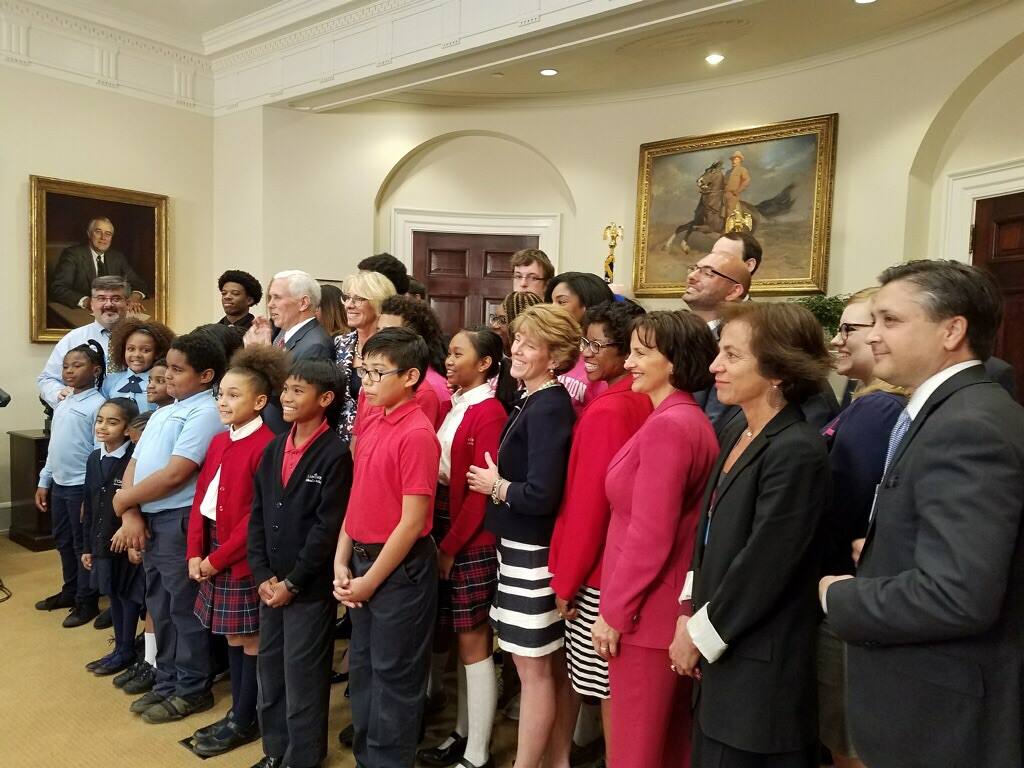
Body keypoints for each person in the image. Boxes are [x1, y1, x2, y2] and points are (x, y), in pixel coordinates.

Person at [820, 260, 1024, 768]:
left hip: (941, 720)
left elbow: (957, 595)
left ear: (952, 330)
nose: (873, 336)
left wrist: (840, 595)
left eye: (890, 321)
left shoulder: (968, 425)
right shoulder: (951, 410)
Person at [669, 302, 832, 768]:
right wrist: (688, 610)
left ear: (778, 370)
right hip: (720, 650)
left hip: (759, 670)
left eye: (732, 355)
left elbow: (765, 566)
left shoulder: (797, 451)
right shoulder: (738, 426)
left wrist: (699, 635)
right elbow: (707, 534)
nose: (714, 366)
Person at [590, 311, 718, 768]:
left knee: (636, 752)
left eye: (642, 354)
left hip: (647, 615)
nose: (629, 364)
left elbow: (651, 534)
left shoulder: (672, 425)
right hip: (658, 608)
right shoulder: (679, 417)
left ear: (675, 361)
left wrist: (615, 611)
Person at [467, 304, 579, 768]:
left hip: (531, 554)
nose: (516, 349)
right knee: (541, 667)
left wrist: (496, 486)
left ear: (556, 357)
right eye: (517, 340)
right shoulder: (534, 399)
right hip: (518, 550)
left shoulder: (549, 406)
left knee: (533, 671)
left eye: (530, 345)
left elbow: (542, 494)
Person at [546, 300, 652, 762]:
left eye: (596, 345)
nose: (585, 353)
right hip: (617, 567)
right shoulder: (635, 398)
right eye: (584, 342)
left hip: (598, 572)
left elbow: (589, 504)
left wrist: (566, 579)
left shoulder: (612, 408)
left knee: (605, 686)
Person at [334, 327, 441, 768]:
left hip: (398, 570)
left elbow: (412, 522)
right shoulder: (374, 418)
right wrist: (341, 558)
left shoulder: (416, 433)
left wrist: (370, 581)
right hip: (361, 560)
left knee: (394, 677)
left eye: (379, 373)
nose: (368, 382)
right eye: (365, 371)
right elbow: (358, 493)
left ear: (411, 376)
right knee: (363, 671)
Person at [110, 331, 227, 723]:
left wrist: (124, 500)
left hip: (179, 521)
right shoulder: (164, 411)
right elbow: (134, 463)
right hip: (150, 519)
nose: (168, 376)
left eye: (178, 370)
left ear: (206, 375)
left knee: (183, 608)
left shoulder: (204, 412)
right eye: (168, 368)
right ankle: (167, 679)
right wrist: (129, 512)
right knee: (159, 605)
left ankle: (192, 688)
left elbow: (178, 473)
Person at [815, 288, 906, 768]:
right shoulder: (862, 400)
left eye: (848, 328)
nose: (837, 339)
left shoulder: (878, 409)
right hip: (849, 593)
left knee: (851, 743)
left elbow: (849, 509)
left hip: (848, 592)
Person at [249, 358, 353, 768]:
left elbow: (327, 530)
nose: (286, 398)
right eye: (286, 389)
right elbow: (258, 514)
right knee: (271, 671)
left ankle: (303, 757)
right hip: (269, 584)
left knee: (303, 676)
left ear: (325, 399)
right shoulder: (275, 447)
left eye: (298, 391)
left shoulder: (335, 454)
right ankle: (275, 751)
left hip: (306, 588)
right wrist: (262, 573)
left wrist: (292, 582)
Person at [185, 346, 288, 757]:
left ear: (260, 402)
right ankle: (237, 713)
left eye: (234, 395)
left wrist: (215, 559)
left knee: (250, 638)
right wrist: (195, 552)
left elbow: (255, 521)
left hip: (240, 558)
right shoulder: (217, 441)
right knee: (232, 634)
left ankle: (247, 717)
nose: (223, 402)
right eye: (221, 394)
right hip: (212, 549)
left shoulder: (268, 445)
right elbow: (201, 500)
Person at [418, 327, 507, 768]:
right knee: (456, 636)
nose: (449, 361)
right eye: (448, 354)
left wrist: (450, 546)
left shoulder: (488, 411)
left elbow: (478, 493)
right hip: (444, 522)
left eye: (458, 354)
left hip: (470, 535)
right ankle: (460, 731)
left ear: (485, 363)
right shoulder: (458, 403)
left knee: (474, 640)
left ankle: (477, 752)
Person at [33, 340, 108, 626]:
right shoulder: (63, 403)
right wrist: (44, 480)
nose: (69, 371)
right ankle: (70, 590)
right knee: (63, 540)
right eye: (66, 366)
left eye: (78, 366)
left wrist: (92, 494)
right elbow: (55, 447)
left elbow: (98, 453)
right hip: (59, 484)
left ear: (95, 370)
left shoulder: (97, 405)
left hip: (81, 486)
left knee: (81, 544)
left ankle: (86, 601)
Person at [81, 396, 142, 674]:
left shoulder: (134, 459)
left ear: (128, 429)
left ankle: (126, 649)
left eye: (112, 422)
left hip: (125, 542)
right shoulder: (94, 458)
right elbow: (89, 505)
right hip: (101, 541)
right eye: (100, 420)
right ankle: (120, 647)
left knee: (127, 595)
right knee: (113, 594)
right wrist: (87, 547)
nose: (103, 427)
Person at [112, 408, 159, 696]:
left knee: (159, 605)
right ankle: (148, 659)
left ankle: (157, 662)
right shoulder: (131, 462)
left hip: (158, 530)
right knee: (151, 601)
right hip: (139, 533)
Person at [37, 275, 131, 409]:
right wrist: (59, 393)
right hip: (83, 413)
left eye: (116, 299)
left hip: (131, 413)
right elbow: (47, 379)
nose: (108, 304)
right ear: (92, 304)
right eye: (101, 298)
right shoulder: (73, 339)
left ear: (127, 303)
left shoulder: (142, 339)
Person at [334, 270, 397, 445]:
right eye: (347, 298)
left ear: (379, 303)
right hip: (338, 444)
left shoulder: (393, 348)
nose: (349, 305)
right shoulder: (340, 343)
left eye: (358, 299)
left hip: (377, 441)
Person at [544, 272, 615, 412]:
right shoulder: (553, 349)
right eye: (551, 302)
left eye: (561, 302)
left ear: (588, 305)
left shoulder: (603, 356)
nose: (551, 309)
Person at [378, 294, 452, 426]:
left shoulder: (428, 387)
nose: (379, 338)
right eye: (379, 330)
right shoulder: (383, 375)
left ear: (413, 337)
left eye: (389, 332)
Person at [49, 217, 147, 311]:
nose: (103, 237)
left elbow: (138, 283)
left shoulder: (117, 257)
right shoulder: (73, 254)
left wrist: (134, 297)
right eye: (98, 232)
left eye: (108, 234)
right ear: (89, 234)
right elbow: (57, 288)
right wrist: (87, 301)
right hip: (82, 312)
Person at [102, 319, 176, 413]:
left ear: (157, 353)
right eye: (131, 349)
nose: (137, 355)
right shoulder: (110, 381)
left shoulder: (163, 383)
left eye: (146, 350)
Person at [489, 291, 544, 412]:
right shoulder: (491, 363)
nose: (494, 325)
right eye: (494, 318)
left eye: (502, 320)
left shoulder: (536, 374)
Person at [723, 151, 750, 219]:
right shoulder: (728, 172)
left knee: (730, 212)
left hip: (733, 195)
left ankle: (730, 225)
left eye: (736, 159)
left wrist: (738, 191)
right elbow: (724, 183)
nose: (733, 161)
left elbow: (746, 180)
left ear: (740, 160)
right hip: (724, 194)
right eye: (732, 160)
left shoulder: (742, 170)